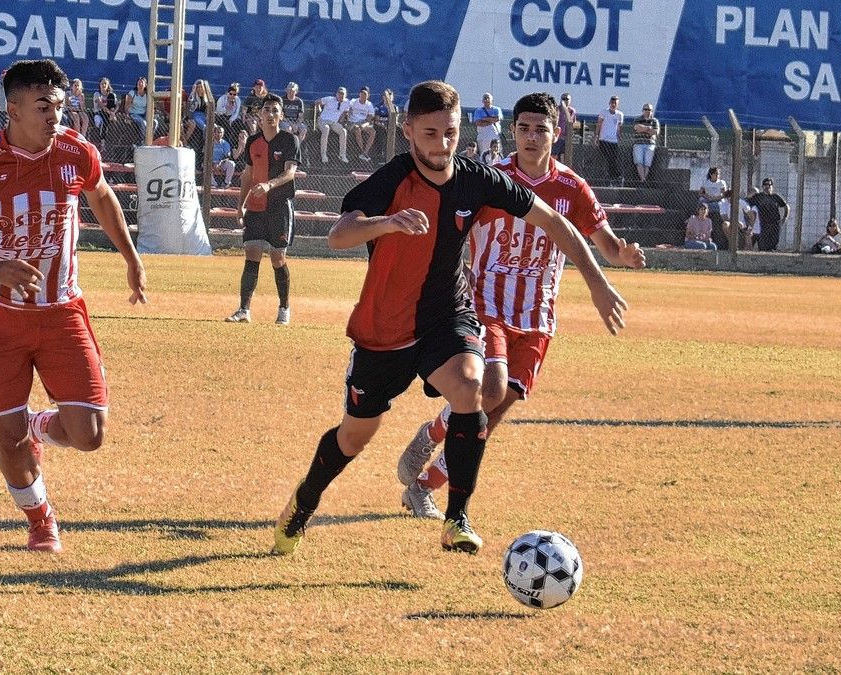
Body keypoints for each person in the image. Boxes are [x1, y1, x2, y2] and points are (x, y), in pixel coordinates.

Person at [269, 81, 629, 557]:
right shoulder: (391, 181)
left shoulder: (476, 178)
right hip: (384, 329)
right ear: (408, 131)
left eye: (451, 133)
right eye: (431, 134)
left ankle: (457, 516)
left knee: (471, 387)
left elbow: (555, 222)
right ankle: (305, 499)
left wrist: (599, 284)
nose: (442, 145)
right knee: (355, 436)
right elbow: (340, 234)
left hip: (446, 317)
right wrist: (388, 222)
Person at [393, 92, 645, 531]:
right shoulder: (491, 180)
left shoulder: (571, 189)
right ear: (513, 131)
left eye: (541, 129)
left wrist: (621, 255)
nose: (532, 137)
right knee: (487, 390)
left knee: (494, 412)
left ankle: (425, 483)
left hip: (537, 316)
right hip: (484, 303)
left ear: (557, 133)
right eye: (524, 128)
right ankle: (432, 440)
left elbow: (603, 241)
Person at [0, 59, 148, 554]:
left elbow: (101, 196)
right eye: (44, 106)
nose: (56, 114)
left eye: (60, 104)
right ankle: (41, 519)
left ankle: (38, 425)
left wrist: (131, 257)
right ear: (12, 109)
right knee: (7, 440)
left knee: (89, 434)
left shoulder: (76, 151)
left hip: (61, 312)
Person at [225, 94, 301, 326]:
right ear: (260, 114)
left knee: (277, 257)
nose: (270, 114)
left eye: (275, 110)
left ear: (281, 115)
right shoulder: (253, 142)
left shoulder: (289, 140)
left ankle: (284, 308)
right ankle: (244, 310)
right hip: (256, 208)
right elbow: (247, 175)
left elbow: (290, 173)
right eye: (266, 110)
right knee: (252, 253)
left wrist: (269, 185)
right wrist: (240, 206)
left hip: (279, 206)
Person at [747, 177, 789, 252]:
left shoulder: (775, 197)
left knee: (772, 247)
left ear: (772, 187)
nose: (768, 186)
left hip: (775, 224)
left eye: (770, 185)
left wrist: (785, 218)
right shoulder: (759, 197)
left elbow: (786, 206)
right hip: (764, 225)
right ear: (762, 186)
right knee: (763, 246)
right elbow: (747, 202)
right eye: (766, 185)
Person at [315, 86, 351, 164]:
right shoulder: (329, 99)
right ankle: (323, 155)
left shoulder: (347, 102)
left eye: (343, 94)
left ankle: (342, 155)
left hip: (334, 122)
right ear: (336, 94)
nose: (341, 95)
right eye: (339, 93)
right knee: (326, 129)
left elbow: (345, 112)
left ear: (346, 95)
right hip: (323, 121)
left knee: (343, 131)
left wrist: (342, 120)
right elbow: (317, 102)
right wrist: (319, 109)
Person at [594, 95, 623, 185]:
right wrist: (596, 136)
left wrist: (619, 138)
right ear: (609, 103)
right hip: (604, 139)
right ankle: (613, 176)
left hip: (613, 141)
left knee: (613, 159)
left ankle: (613, 177)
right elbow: (599, 124)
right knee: (607, 158)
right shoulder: (604, 112)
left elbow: (619, 128)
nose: (613, 105)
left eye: (615, 103)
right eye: (612, 103)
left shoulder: (620, 115)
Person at [699, 167, 731, 248]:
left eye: (719, 174)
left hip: (718, 199)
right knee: (701, 200)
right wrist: (707, 196)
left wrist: (715, 198)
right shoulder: (706, 182)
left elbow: (724, 194)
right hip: (708, 199)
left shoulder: (721, 182)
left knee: (718, 205)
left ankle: (714, 213)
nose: (718, 175)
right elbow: (701, 193)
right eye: (716, 174)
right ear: (711, 174)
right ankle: (703, 213)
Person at [631, 103, 659, 182]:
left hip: (650, 144)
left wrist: (643, 129)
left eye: (649, 110)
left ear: (652, 111)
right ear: (642, 110)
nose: (647, 111)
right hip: (638, 143)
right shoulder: (637, 119)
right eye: (646, 109)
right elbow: (636, 128)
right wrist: (648, 128)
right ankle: (643, 180)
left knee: (647, 163)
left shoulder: (654, 121)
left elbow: (655, 132)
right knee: (639, 162)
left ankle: (643, 179)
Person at [348, 86, 377, 160]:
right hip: (353, 122)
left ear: (368, 95)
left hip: (364, 123)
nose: (363, 95)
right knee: (357, 129)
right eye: (362, 93)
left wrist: (364, 124)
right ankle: (362, 151)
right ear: (359, 94)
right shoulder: (353, 101)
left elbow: (370, 118)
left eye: (365, 94)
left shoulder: (369, 105)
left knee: (373, 131)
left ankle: (365, 153)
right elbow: (347, 111)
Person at [92, 77, 120, 152]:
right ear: (99, 85)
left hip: (109, 113)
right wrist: (111, 114)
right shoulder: (97, 94)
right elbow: (101, 105)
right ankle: (102, 144)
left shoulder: (111, 95)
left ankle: (105, 143)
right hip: (99, 112)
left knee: (111, 96)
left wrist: (113, 113)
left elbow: (117, 104)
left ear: (108, 85)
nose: (103, 85)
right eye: (102, 83)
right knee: (104, 120)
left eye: (105, 83)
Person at [181, 79, 211, 146]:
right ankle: (206, 144)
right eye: (198, 87)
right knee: (204, 127)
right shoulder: (193, 97)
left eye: (201, 87)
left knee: (212, 126)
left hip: (203, 115)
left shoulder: (206, 98)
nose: (200, 89)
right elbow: (189, 103)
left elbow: (208, 109)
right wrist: (193, 91)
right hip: (195, 115)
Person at [125, 77, 152, 143]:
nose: (140, 84)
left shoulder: (147, 94)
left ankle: (149, 139)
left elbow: (152, 105)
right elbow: (126, 106)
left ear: (145, 85)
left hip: (144, 114)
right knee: (143, 122)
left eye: (142, 82)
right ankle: (142, 141)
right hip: (134, 114)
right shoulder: (132, 93)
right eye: (138, 82)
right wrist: (127, 116)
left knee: (155, 122)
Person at [552, 92, 576, 161]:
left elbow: (573, 123)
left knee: (564, 156)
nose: (565, 100)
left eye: (567, 99)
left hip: (566, 137)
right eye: (563, 99)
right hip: (557, 136)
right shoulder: (556, 109)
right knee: (554, 154)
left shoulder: (572, 111)